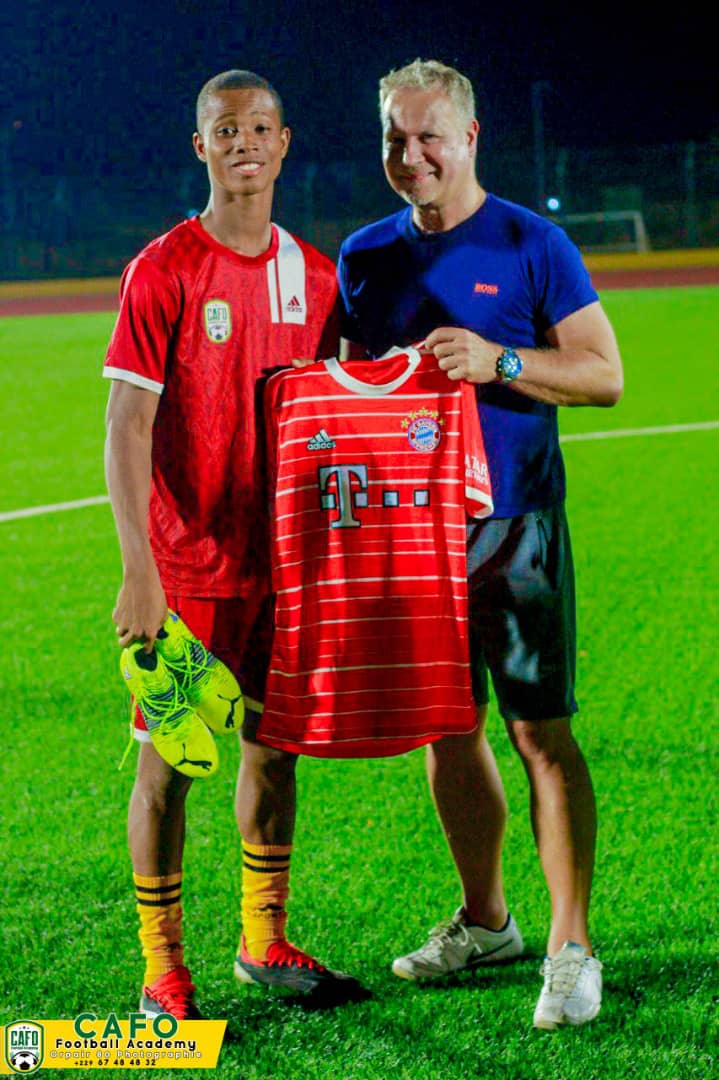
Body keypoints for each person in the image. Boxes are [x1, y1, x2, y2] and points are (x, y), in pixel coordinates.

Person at [336, 59, 623, 1030]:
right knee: (446, 729)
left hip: (516, 526)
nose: (409, 154)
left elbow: (603, 375)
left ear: (468, 137)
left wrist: (497, 359)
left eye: (428, 136)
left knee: (539, 733)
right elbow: (347, 394)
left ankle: (570, 946)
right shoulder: (364, 256)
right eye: (394, 137)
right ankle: (486, 920)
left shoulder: (531, 241)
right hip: (411, 535)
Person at [104, 68, 350, 1019]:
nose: (243, 141)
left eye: (259, 127)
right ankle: (162, 967)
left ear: (283, 143)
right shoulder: (163, 268)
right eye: (225, 128)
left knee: (275, 751)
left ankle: (262, 937)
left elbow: (333, 424)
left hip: (285, 569)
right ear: (200, 145)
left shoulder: (317, 277)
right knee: (167, 769)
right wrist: (140, 570)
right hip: (188, 572)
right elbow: (127, 426)